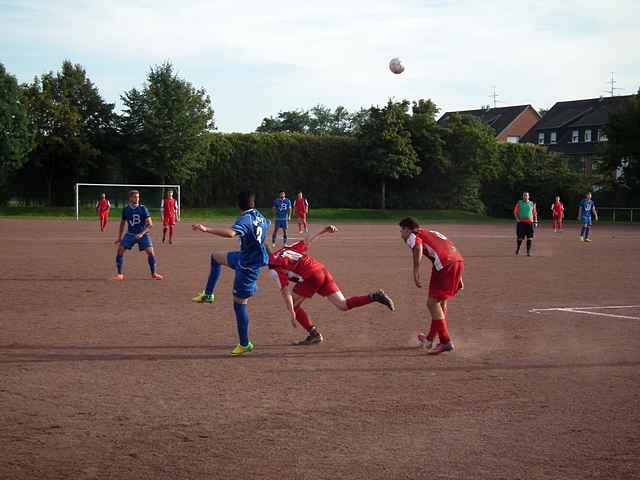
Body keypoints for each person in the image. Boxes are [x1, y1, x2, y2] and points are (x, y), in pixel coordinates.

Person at [269, 225, 395, 345]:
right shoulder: (285, 249)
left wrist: (291, 313)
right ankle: (375, 296)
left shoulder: (273, 265)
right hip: (321, 270)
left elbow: (285, 291)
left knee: (294, 306)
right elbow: (307, 240)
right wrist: (324, 230)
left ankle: (314, 334)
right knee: (343, 305)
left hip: (311, 276)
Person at [191, 191, 271, 356]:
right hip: (243, 258)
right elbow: (264, 237)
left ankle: (244, 344)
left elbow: (230, 233)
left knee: (240, 303)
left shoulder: (245, 219)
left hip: (247, 268)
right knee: (215, 257)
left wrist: (206, 229)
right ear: (253, 204)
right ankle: (208, 294)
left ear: (238, 205)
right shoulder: (261, 217)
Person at [399, 217, 464, 355]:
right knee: (440, 303)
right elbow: (447, 246)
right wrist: (459, 276)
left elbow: (417, 246)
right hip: (456, 260)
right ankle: (429, 340)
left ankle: (445, 341)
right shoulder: (432, 232)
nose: (401, 234)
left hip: (444, 264)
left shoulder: (414, 235)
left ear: (408, 229)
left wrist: (416, 271)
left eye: (402, 230)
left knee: (432, 303)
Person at [113, 190, 163, 280]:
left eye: (138, 197)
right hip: (130, 234)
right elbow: (122, 224)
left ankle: (154, 273)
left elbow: (150, 224)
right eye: (135, 197)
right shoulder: (126, 210)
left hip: (143, 234)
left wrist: (142, 233)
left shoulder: (143, 208)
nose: (137, 199)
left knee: (150, 252)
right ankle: (120, 274)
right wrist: (119, 237)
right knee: (120, 251)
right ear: (130, 198)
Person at [513, 192, 538, 256]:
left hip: (530, 223)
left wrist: (536, 221)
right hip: (521, 223)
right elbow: (515, 212)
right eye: (524, 195)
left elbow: (534, 213)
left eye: (526, 195)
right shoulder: (519, 203)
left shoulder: (532, 203)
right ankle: (518, 248)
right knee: (520, 238)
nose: (525, 196)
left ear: (528, 196)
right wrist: (517, 219)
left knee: (530, 238)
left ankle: (528, 252)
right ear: (522, 196)